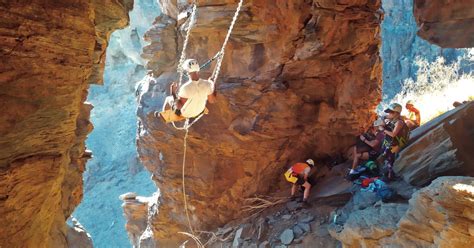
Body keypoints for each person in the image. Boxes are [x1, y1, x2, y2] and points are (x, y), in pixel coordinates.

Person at [380, 103, 410, 180]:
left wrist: (383, 129)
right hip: (388, 142)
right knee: (387, 157)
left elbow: (393, 134)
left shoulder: (399, 122)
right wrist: (383, 118)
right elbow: (383, 124)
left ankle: (391, 176)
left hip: (395, 144)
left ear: (396, 113)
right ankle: (389, 173)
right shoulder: (392, 120)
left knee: (391, 159)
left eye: (391, 112)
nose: (388, 114)